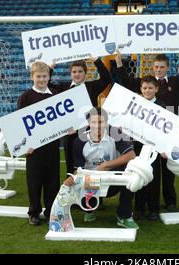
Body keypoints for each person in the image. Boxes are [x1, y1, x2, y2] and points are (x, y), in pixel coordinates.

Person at [115, 51, 179, 212]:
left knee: (169, 170)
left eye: (162, 67)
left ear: (167, 67)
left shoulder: (175, 82)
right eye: (156, 67)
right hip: (147, 137)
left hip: (169, 134)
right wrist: (119, 63)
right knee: (149, 170)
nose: (159, 69)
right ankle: (143, 206)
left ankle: (170, 201)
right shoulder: (145, 82)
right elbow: (126, 82)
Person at [63, 107, 139, 229]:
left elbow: (131, 155)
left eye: (101, 122)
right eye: (93, 122)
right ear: (88, 123)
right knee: (83, 190)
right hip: (92, 183)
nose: (97, 126)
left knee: (132, 171)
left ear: (106, 122)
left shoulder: (115, 134)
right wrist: (72, 178)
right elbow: (78, 169)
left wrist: (105, 165)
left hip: (113, 180)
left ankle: (124, 216)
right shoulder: (79, 141)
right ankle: (90, 210)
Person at [49, 56, 112, 177]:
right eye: (74, 72)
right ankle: (72, 192)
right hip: (70, 133)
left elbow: (106, 78)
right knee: (70, 164)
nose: (77, 74)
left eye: (80, 71)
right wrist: (50, 68)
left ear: (85, 73)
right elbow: (46, 84)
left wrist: (97, 61)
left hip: (89, 132)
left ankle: (92, 194)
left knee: (91, 162)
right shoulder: (63, 88)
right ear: (70, 73)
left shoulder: (92, 86)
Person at [17, 61, 62, 226]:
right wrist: (25, 145)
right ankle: (34, 212)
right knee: (34, 180)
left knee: (52, 180)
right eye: (38, 77)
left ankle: (51, 211)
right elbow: (20, 123)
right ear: (32, 77)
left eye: (45, 76)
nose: (42, 79)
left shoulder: (55, 94)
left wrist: (68, 127)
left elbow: (61, 119)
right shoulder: (26, 97)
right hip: (33, 148)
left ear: (49, 77)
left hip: (52, 146)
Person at [132, 76, 166, 221]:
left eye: (150, 88)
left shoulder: (163, 106)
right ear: (141, 89)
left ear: (156, 89)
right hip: (138, 147)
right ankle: (139, 209)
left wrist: (164, 148)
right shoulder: (135, 105)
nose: (147, 90)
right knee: (139, 176)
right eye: (144, 88)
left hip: (154, 149)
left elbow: (166, 129)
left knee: (154, 178)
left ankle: (154, 209)